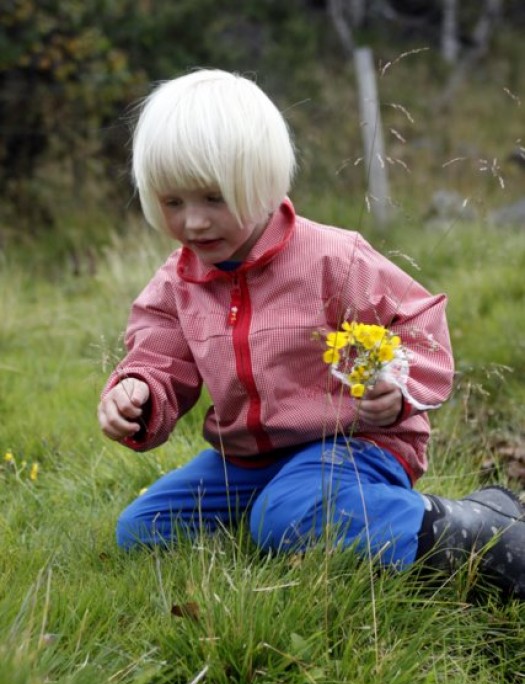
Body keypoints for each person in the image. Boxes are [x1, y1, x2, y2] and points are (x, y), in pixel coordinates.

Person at [98, 69, 524, 598]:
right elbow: (160, 351)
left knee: (284, 514)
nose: (194, 223)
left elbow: (419, 321)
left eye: (213, 198)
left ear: (261, 183)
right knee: (142, 531)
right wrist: (138, 390)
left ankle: (478, 530)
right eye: (173, 202)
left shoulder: (332, 258)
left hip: (354, 443)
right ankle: (293, 511)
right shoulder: (180, 280)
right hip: (249, 457)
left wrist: (395, 386)